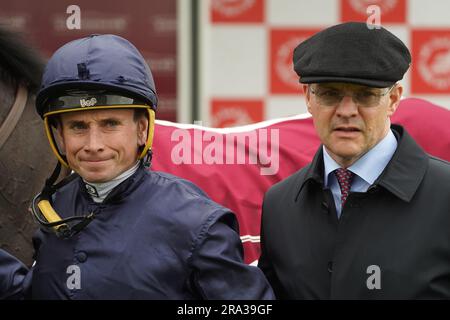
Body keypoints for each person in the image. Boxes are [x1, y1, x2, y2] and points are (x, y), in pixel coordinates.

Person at [23, 34, 274, 299]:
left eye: (110, 124)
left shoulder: (196, 221)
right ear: (59, 135)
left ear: (142, 129)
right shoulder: (53, 209)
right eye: (78, 127)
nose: (93, 144)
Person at [258, 22, 450, 299]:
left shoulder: (444, 196)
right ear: (308, 98)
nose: (346, 111)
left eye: (365, 95)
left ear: (394, 99)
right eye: (330, 94)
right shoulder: (279, 204)